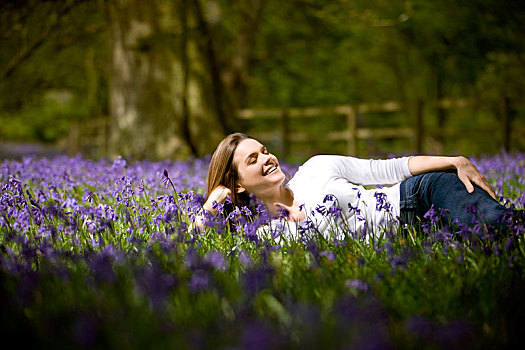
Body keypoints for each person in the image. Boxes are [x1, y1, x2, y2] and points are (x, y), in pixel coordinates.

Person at [195, 133, 507, 239]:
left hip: (421, 196)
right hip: (413, 235)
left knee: (498, 227)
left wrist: (455, 161)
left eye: (265, 150)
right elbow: (198, 245)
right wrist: (210, 205)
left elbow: (388, 168)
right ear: (236, 185)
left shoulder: (316, 167)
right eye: (253, 159)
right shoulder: (264, 234)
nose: (268, 158)